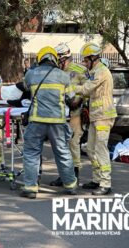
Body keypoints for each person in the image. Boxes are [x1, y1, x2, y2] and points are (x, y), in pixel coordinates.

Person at [20, 46, 77, 199]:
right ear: (54, 59)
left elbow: (25, 89)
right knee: (63, 153)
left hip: (36, 120)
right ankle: (70, 185)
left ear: (40, 59)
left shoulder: (31, 74)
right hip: (57, 122)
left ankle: (31, 188)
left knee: (32, 153)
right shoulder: (64, 76)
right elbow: (72, 100)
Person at [74, 42, 117, 195]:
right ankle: (97, 179)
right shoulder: (95, 71)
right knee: (90, 148)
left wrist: (70, 88)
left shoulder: (101, 71)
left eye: (86, 60)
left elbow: (86, 88)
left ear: (93, 58)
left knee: (100, 148)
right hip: (96, 116)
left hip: (104, 116)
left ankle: (105, 183)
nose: (85, 63)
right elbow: (87, 91)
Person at [50, 43, 89, 187]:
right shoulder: (56, 71)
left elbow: (88, 89)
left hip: (75, 113)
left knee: (73, 143)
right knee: (61, 145)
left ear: (64, 57)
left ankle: (75, 175)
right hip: (59, 113)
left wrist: (78, 100)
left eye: (58, 59)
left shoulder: (80, 69)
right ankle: (63, 175)